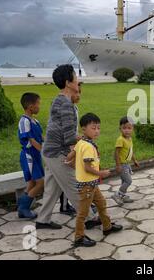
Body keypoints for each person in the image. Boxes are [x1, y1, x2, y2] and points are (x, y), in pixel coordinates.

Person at [35, 64, 98, 230]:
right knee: (74, 186)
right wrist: (86, 139)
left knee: (52, 189)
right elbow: (69, 137)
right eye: (75, 77)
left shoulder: (58, 99)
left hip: (48, 151)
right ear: (68, 82)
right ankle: (90, 218)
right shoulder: (66, 105)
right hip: (56, 153)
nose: (78, 81)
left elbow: (59, 129)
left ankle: (42, 220)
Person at [66, 113, 123, 247]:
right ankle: (79, 238)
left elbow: (70, 155)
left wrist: (70, 159)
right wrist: (101, 173)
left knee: (101, 203)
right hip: (87, 184)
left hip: (91, 183)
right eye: (93, 128)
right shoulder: (88, 146)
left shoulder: (81, 142)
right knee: (83, 212)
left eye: (98, 128)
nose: (97, 131)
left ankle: (107, 227)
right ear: (83, 129)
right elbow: (87, 167)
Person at [17, 93, 44, 219]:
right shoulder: (24, 121)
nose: (39, 106)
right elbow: (30, 139)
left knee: (32, 184)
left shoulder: (35, 121)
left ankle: (22, 208)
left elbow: (39, 137)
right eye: (38, 103)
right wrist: (42, 150)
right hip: (29, 156)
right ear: (30, 106)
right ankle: (23, 207)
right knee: (40, 183)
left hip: (36, 155)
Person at [59, 82, 82, 216]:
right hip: (65, 147)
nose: (78, 95)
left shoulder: (75, 108)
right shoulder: (66, 109)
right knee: (67, 178)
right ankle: (64, 206)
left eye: (80, 92)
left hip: (73, 145)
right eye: (76, 92)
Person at [111, 116, 139, 205]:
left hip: (127, 164)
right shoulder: (120, 140)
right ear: (120, 129)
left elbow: (131, 151)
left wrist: (134, 160)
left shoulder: (129, 139)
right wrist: (118, 165)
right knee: (128, 181)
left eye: (129, 128)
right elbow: (116, 153)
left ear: (132, 129)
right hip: (122, 165)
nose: (127, 130)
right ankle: (118, 194)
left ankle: (122, 196)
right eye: (124, 128)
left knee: (124, 181)